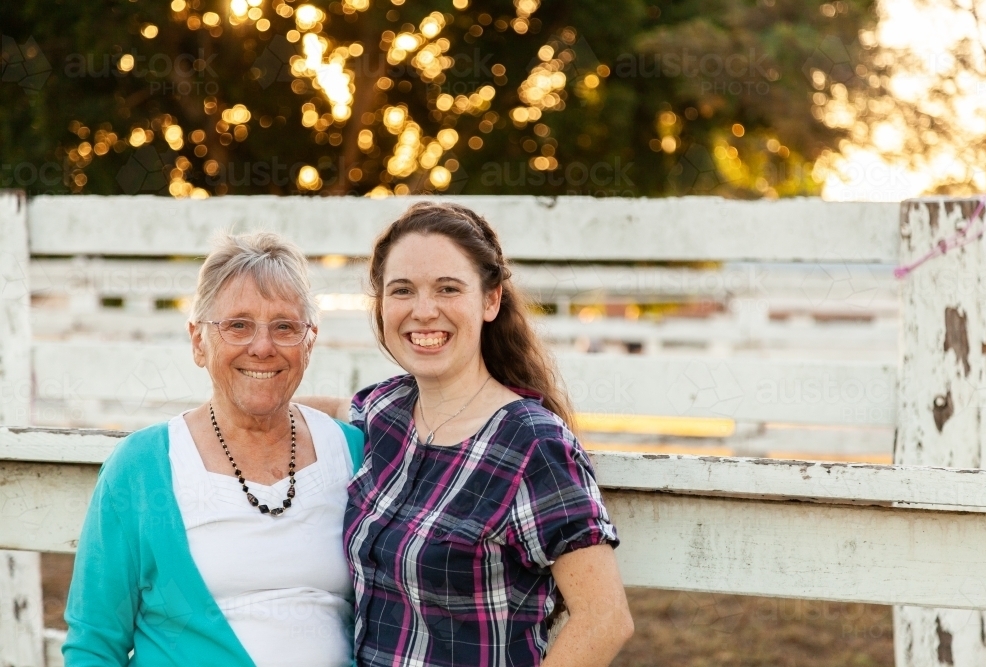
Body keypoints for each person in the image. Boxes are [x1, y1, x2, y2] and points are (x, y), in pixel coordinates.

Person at [304, 201, 633, 667]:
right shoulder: (385, 410)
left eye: (447, 289)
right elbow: (326, 409)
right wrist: (223, 416)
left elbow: (604, 619)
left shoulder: (533, 445)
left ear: (490, 300)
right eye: (402, 291)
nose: (423, 311)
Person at [63, 232, 364, 667]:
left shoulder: (354, 454)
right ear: (198, 341)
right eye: (238, 325)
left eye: (284, 327)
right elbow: (93, 645)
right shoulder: (142, 468)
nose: (262, 347)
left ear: (310, 342)